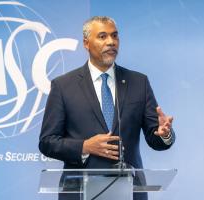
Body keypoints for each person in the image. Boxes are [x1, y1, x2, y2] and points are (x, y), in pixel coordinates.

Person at [38, 16, 175, 200]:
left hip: (130, 190)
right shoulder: (63, 86)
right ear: (86, 43)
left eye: (115, 36)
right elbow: (47, 141)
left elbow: (155, 138)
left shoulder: (138, 82)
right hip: (79, 192)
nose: (111, 42)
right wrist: (84, 147)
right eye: (102, 36)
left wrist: (164, 134)